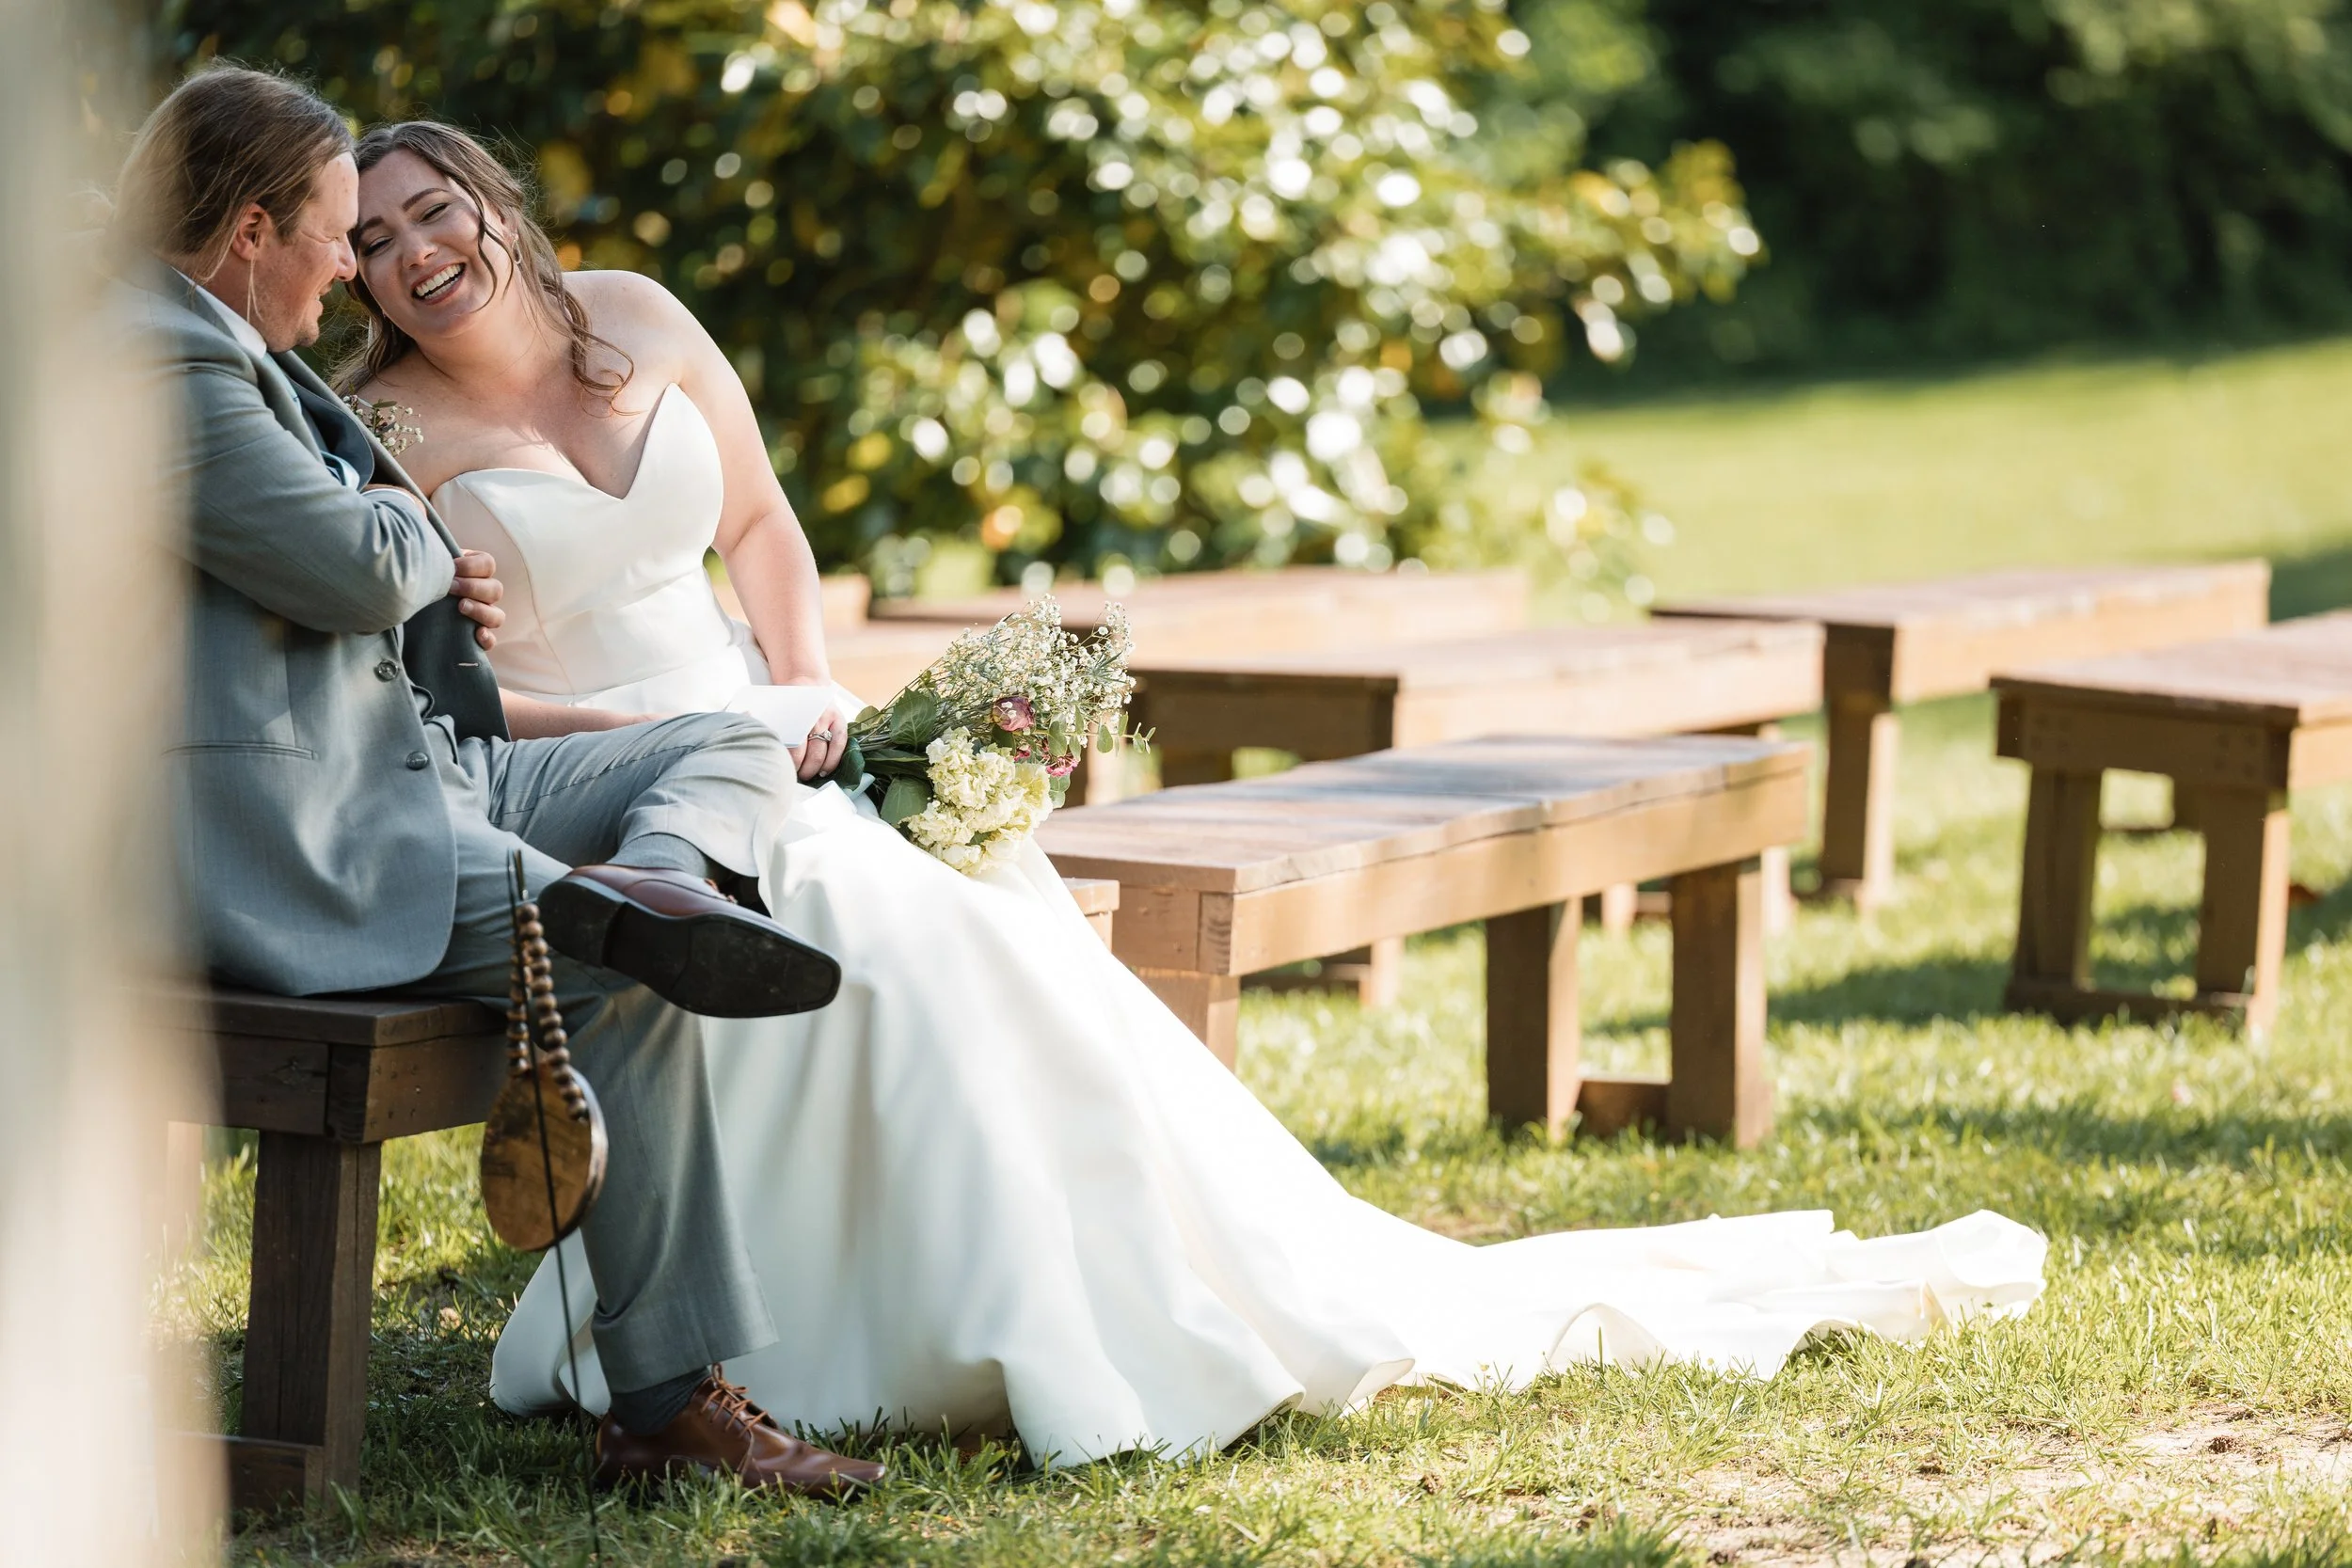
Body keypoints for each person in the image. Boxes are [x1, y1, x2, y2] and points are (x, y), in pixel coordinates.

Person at [344, 119, 2050, 1468]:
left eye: (433, 211)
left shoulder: (638, 318)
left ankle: (1140, 1282)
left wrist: (807, 691)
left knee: (993, 929)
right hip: (619, 776)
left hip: (779, 721)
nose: (413, 254)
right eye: (369, 240)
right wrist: (665, 723)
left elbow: (767, 530)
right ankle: (844, 1330)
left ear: (495, 203)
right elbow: (458, 705)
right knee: (886, 924)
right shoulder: (386, 433)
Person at [114, 66, 884, 1497]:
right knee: (606, 963)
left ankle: (665, 872)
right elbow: (362, 560)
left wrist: (389, 544)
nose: (354, 270)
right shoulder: (157, 362)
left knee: (725, 736)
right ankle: (665, 1405)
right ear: (249, 232)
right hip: (308, 827)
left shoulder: (214, 344)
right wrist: (410, 529)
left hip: (418, 768)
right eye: (341, 236)